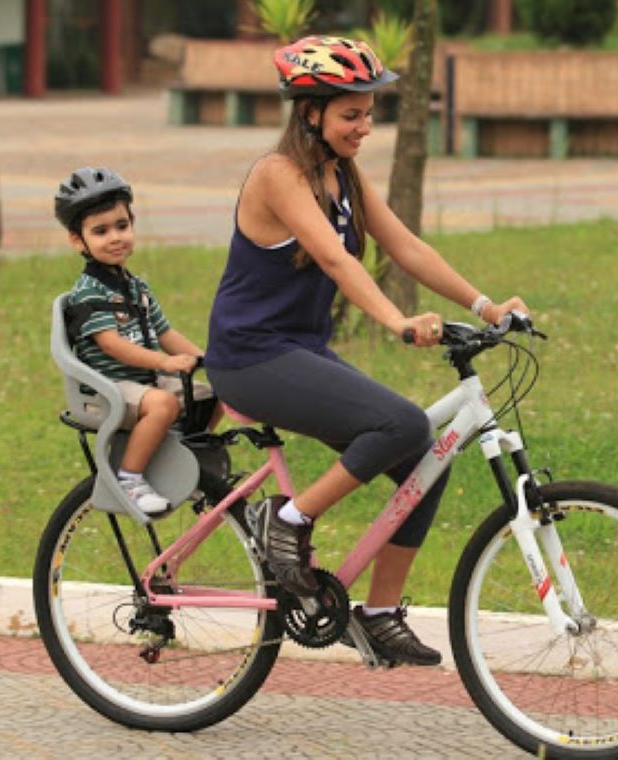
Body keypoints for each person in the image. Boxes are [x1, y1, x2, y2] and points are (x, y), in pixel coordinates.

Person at [204, 36, 528, 666]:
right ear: (311, 112)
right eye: (351, 113)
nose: (365, 126)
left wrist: (485, 306)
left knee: (424, 459)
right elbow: (333, 257)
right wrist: (396, 321)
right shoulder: (278, 175)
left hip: (298, 350)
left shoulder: (344, 175)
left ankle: (379, 615)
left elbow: (406, 246)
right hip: (249, 357)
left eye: (370, 113)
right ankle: (287, 522)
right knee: (402, 423)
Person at [55, 167, 218, 515]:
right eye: (101, 231)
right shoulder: (89, 292)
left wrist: (210, 359)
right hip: (108, 387)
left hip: (142, 381)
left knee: (214, 393)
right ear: (78, 240)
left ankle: (189, 457)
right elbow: (112, 346)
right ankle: (130, 478)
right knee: (163, 404)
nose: (115, 237)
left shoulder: (137, 287)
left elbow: (165, 334)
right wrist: (165, 362)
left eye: (122, 226)